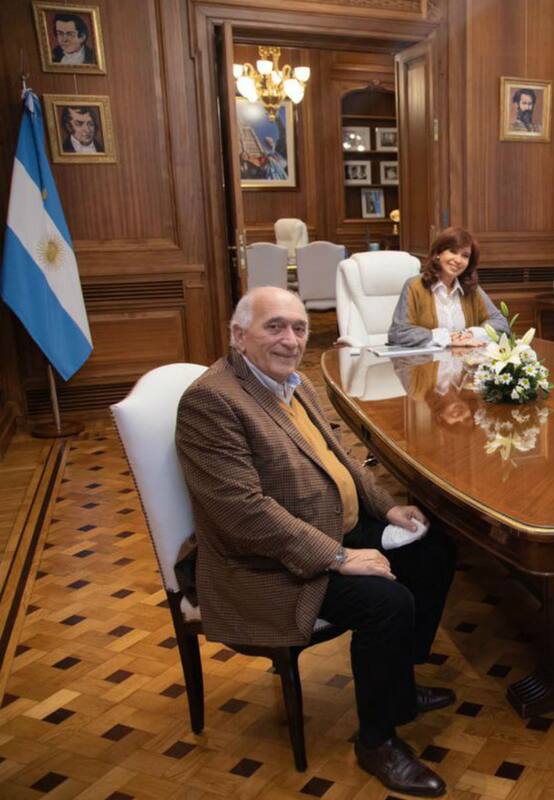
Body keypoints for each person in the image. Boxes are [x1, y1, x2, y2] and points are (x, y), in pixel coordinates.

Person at [175, 287, 458, 796]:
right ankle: (377, 740)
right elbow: (243, 515)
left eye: (299, 327)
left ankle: (398, 687)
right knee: (386, 602)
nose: (290, 340)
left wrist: (386, 508)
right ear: (238, 336)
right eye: (274, 327)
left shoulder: (293, 382)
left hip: (329, 526)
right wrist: (340, 557)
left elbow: (342, 460)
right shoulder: (211, 401)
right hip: (266, 563)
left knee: (433, 550)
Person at [387, 226, 510, 348]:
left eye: (465, 256)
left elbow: (501, 324)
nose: (458, 260)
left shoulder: (471, 289)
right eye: (453, 251)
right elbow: (398, 333)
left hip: (465, 364)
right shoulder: (414, 286)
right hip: (425, 364)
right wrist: (446, 339)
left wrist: (472, 333)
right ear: (438, 253)